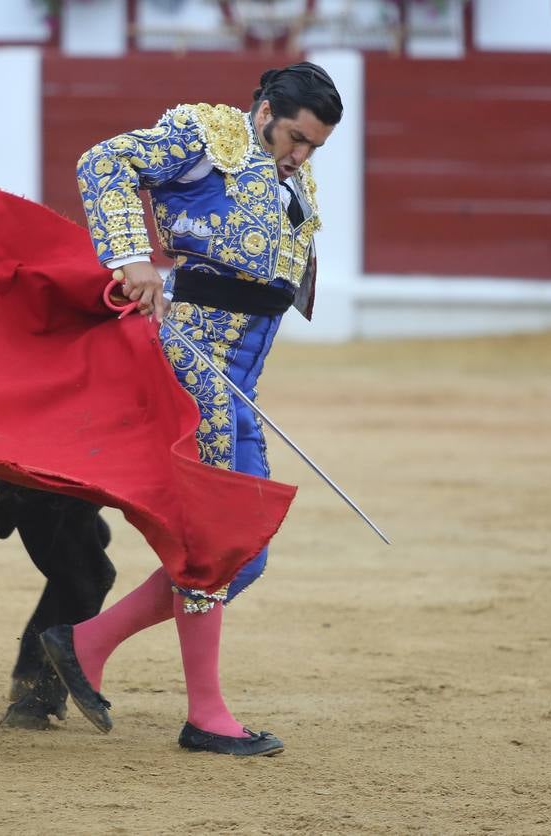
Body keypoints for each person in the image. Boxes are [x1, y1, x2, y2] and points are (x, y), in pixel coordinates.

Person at [39, 62, 344, 757]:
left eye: (312, 147)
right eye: (294, 137)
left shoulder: (288, 174)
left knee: (246, 553)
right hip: (194, 364)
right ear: (265, 109)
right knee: (214, 543)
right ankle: (205, 716)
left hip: (238, 380)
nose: (298, 155)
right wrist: (132, 257)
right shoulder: (207, 135)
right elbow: (105, 160)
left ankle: (84, 644)